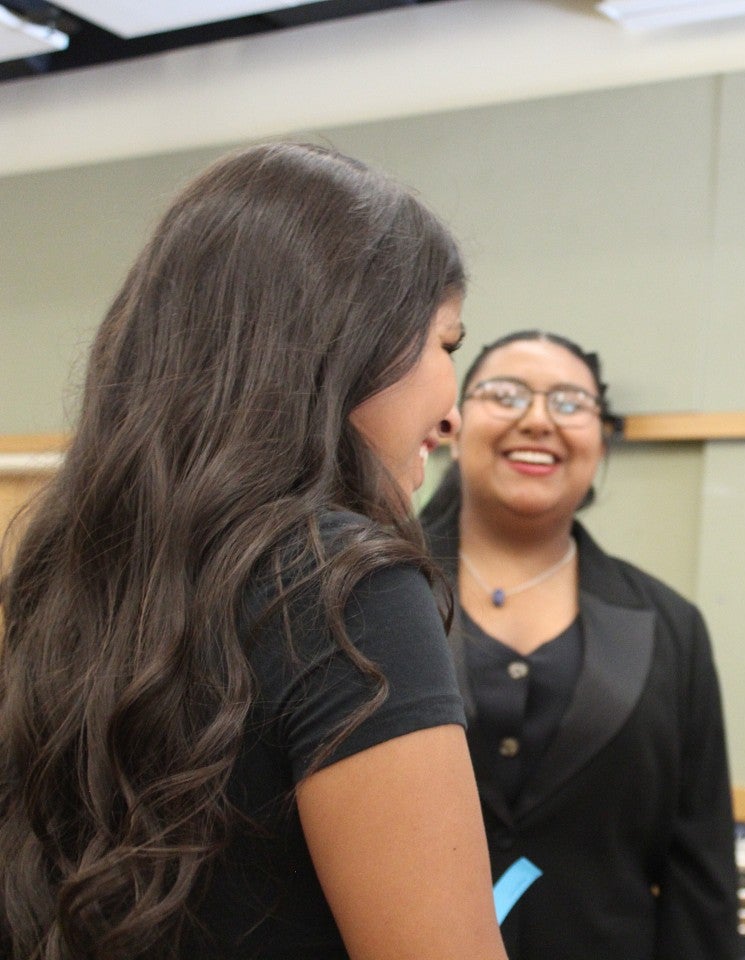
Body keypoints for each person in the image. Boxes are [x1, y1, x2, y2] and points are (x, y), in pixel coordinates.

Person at [0, 142, 507, 960]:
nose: (452, 416)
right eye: (445, 344)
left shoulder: (67, 576)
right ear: (345, 345)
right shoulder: (348, 586)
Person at [418, 330, 738, 960]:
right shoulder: (369, 591)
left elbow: (700, 876)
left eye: (570, 403)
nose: (538, 420)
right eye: (506, 395)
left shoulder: (671, 626)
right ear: (453, 422)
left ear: (601, 440)